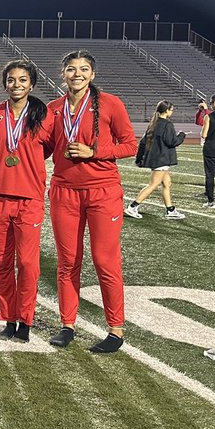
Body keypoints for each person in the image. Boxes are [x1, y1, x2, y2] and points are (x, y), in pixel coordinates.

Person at [47, 50, 138, 353]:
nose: (77, 74)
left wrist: (94, 152)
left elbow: (130, 145)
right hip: (64, 191)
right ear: (63, 74)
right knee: (68, 260)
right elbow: (43, 148)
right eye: (71, 69)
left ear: (93, 74)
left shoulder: (111, 104)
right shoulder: (53, 108)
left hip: (103, 191)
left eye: (84, 69)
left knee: (105, 260)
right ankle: (67, 325)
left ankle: (115, 329)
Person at [0, 61, 54, 342]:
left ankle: (26, 320)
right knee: (1, 260)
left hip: (29, 197)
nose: (17, 84)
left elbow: (47, 148)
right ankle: (8, 318)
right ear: (5, 84)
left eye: (23, 80)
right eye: (11, 80)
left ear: (31, 84)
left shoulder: (43, 115)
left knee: (27, 262)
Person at [125, 101, 187, 220]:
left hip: (158, 158)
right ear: (167, 110)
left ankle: (170, 210)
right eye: (172, 110)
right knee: (153, 185)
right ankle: (132, 207)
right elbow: (172, 142)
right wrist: (181, 136)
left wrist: (139, 158)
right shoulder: (167, 124)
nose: (172, 112)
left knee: (166, 183)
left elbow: (143, 142)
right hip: (162, 159)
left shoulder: (154, 123)